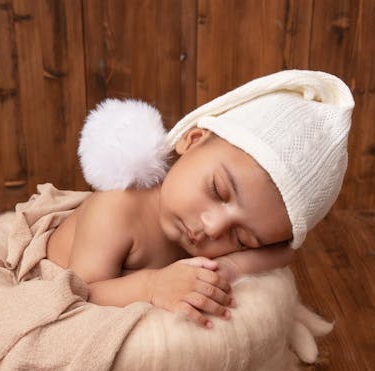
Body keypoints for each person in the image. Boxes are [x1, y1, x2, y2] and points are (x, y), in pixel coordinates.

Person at [45, 70, 354, 328]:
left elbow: (284, 251)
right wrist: (151, 286)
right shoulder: (116, 210)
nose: (213, 227)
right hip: (65, 276)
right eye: (218, 191)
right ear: (192, 140)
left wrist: (231, 267)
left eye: (241, 237)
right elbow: (80, 294)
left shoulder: (226, 238)